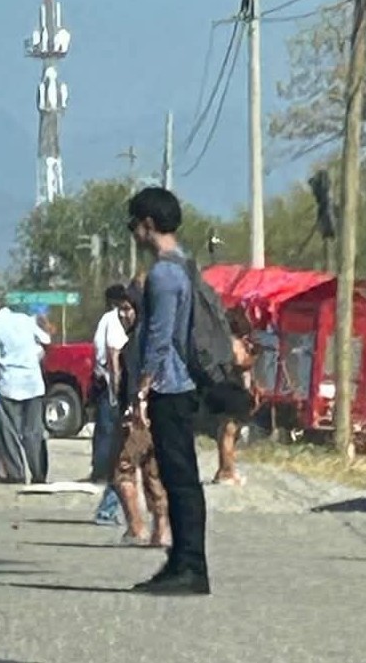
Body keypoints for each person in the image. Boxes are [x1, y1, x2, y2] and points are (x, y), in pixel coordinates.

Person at [127, 186, 210, 595]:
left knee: (180, 479)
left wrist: (143, 389)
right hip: (181, 385)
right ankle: (180, 560)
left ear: (148, 224)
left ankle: (191, 565)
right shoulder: (185, 266)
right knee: (181, 477)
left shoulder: (162, 274)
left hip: (171, 387)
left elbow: (160, 338)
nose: (133, 233)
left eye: (134, 224)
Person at [108, 282, 171, 547]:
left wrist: (134, 407)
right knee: (153, 473)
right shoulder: (158, 338)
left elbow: (130, 382)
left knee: (123, 472)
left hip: (139, 415)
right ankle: (162, 530)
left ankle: (136, 526)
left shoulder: (136, 342)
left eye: (126, 309)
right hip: (163, 413)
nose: (123, 315)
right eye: (120, 310)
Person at [0, 304, 51, 484]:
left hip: (9, 383)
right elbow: (45, 339)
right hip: (33, 383)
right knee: (34, 432)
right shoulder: (26, 320)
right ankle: (39, 474)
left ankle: (16, 473)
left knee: (9, 433)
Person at [91, 284, 132, 524]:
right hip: (113, 388)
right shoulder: (115, 321)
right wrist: (118, 394)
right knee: (122, 451)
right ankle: (107, 508)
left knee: (113, 443)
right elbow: (113, 357)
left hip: (107, 385)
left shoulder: (107, 319)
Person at [209, 306, 259, 486]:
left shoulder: (219, 341)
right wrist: (252, 356)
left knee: (224, 431)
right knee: (230, 432)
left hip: (221, 388)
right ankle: (227, 471)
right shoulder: (235, 342)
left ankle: (223, 469)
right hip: (233, 389)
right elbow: (241, 363)